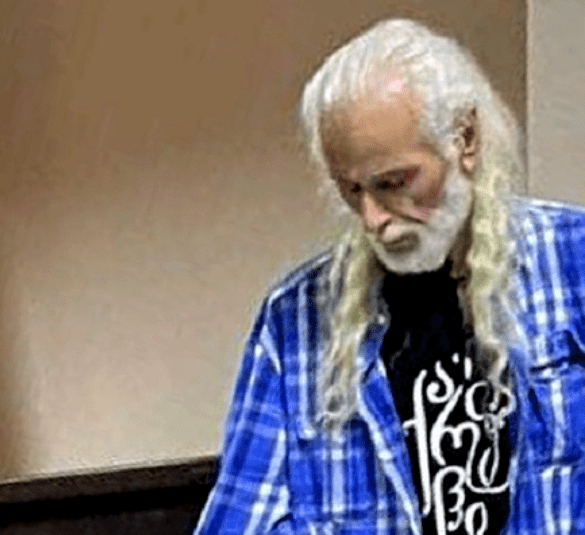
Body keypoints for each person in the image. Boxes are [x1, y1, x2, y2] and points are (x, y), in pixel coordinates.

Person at [194, 18, 585, 535]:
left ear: (465, 139)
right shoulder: (294, 322)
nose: (373, 218)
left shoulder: (574, 263)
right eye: (352, 191)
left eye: (393, 183)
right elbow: (239, 522)